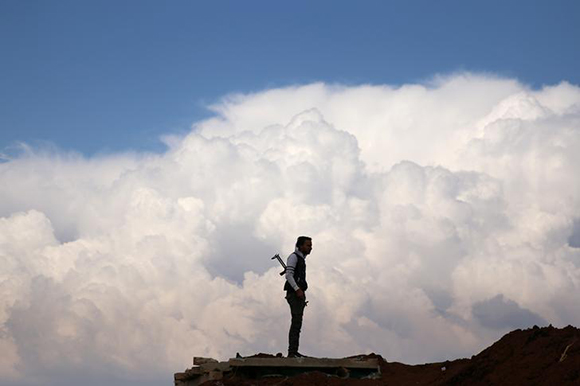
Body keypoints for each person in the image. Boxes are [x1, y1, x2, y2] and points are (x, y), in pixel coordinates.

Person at [284, 236, 312, 358]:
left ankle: (294, 351)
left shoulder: (301, 259)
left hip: (299, 294)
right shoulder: (293, 257)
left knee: (297, 323)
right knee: (296, 322)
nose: (310, 248)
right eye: (308, 245)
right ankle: (292, 352)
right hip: (294, 294)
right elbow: (288, 275)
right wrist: (297, 289)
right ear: (300, 246)